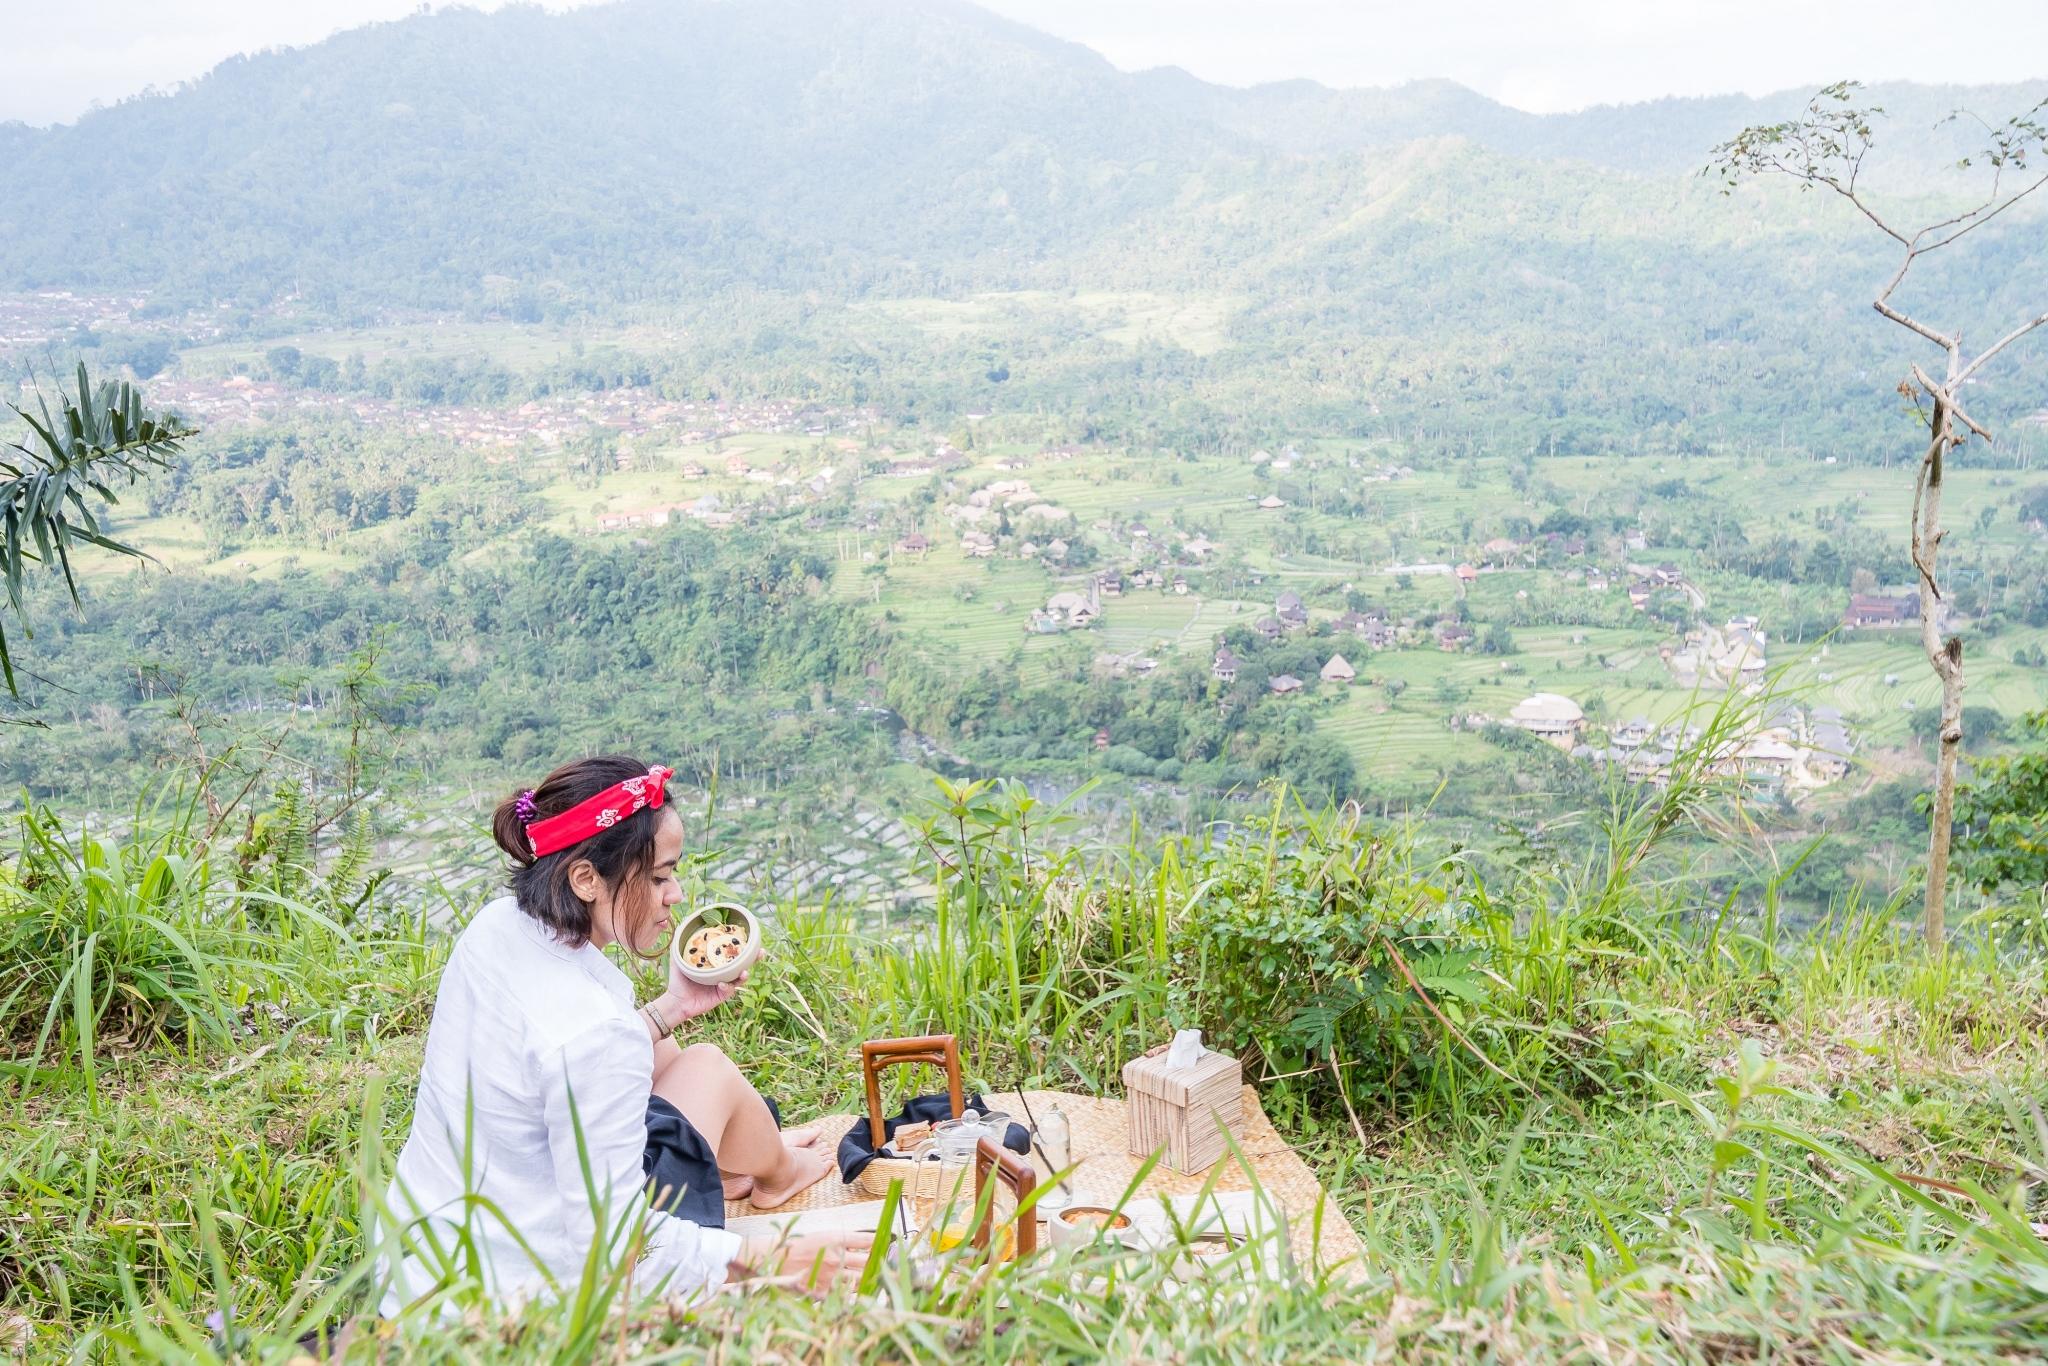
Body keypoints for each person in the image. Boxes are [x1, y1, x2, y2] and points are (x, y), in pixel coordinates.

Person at [378, 755, 868, 1315]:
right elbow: (614, 1251)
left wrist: (674, 1007)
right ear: (585, 878)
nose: (675, 894)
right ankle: (777, 1173)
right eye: (659, 876)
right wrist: (773, 1255)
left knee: (674, 1053)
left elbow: (567, 1060)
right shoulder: (593, 1035)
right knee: (705, 1067)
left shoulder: (494, 928)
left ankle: (756, 1163)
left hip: (426, 1275)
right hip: (520, 1312)